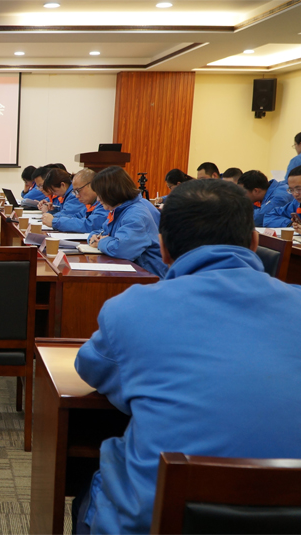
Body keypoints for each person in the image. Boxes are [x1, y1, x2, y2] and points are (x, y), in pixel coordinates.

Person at [73, 178, 301, 535]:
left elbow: (90, 369)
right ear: (255, 243)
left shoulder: (130, 309)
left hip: (158, 520)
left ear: (163, 249)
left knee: (90, 489)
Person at [87, 166, 166, 278]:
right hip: (134, 272)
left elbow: (121, 249)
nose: (98, 199)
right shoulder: (121, 209)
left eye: (100, 195)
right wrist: (94, 237)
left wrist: (100, 242)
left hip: (149, 277)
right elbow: (104, 232)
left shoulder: (135, 214)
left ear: (112, 192)